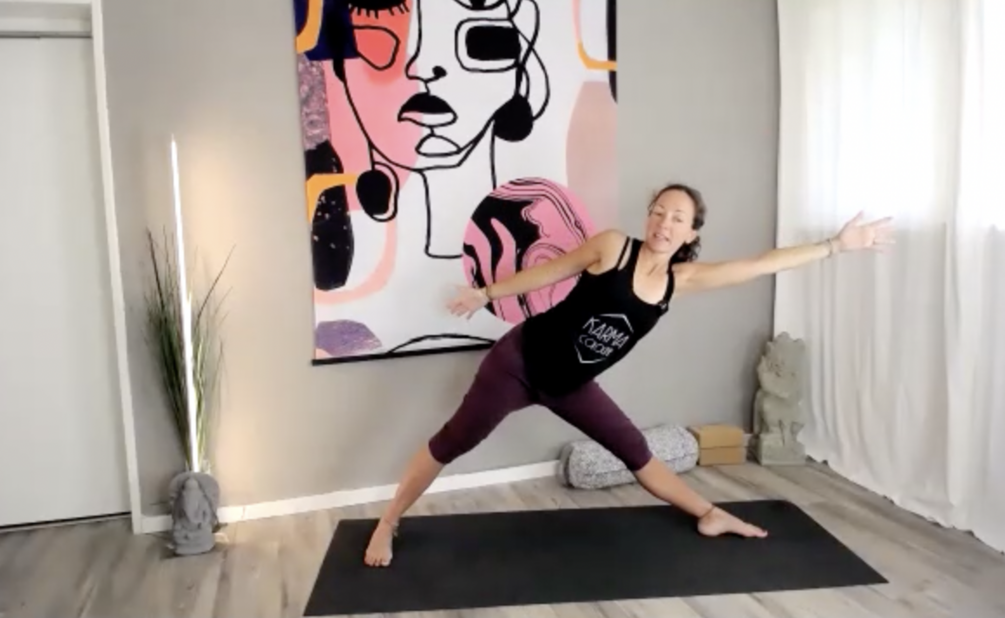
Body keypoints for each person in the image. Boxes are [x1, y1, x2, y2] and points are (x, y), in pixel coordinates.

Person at [363, 182, 895, 567]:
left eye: (677, 218)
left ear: (691, 231)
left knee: (636, 452)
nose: (664, 223)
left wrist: (835, 246)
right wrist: (485, 293)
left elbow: (759, 264)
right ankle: (388, 521)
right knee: (453, 441)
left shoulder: (679, 282)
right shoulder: (613, 247)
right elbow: (548, 272)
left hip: (570, 386)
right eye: (658, 212)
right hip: (518, 363)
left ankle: (710, 513)